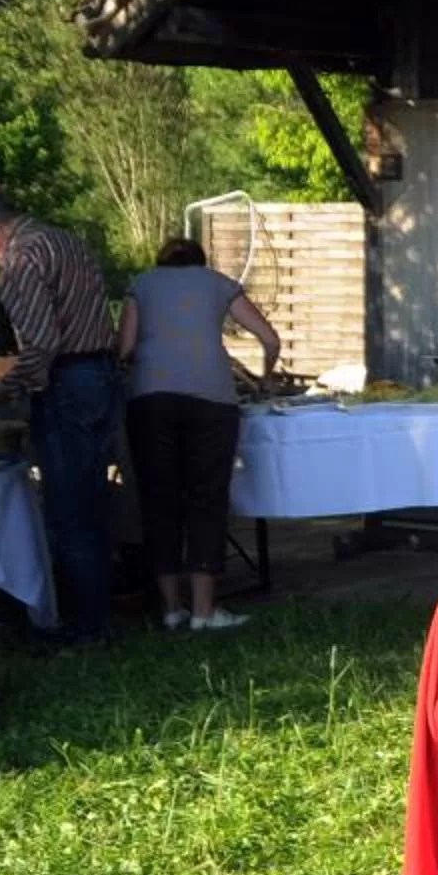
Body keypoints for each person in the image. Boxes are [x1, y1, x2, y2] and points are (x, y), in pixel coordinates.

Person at [0, 181, 118, 643]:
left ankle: (84, 627)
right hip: (100, 373)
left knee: (68, 509)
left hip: (66, 382)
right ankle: (101, 611)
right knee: (92, 500)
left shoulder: (21, 259)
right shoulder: (65, 240)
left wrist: (3, 388)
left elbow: (41, 343)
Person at [118, 238, 281, 633]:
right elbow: (269, 338)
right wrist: (264, 377)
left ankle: (172, 608)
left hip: (150, 401)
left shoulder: (141, 284)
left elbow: (123, 348)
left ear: (161, 263)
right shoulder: (219, 283)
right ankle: (205, 611)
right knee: (206, 499)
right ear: (200, 261)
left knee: (159, 499)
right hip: (212, 399)